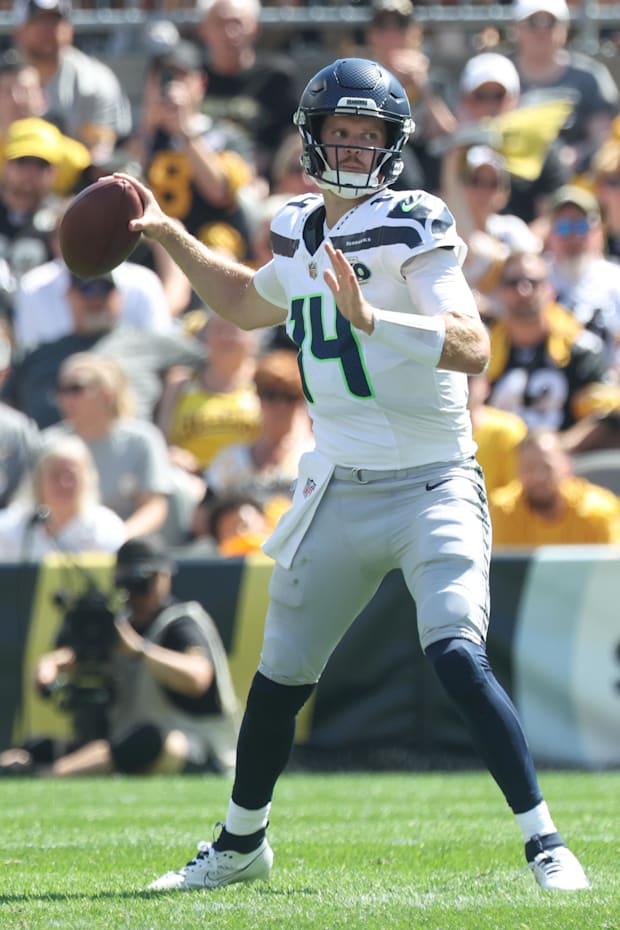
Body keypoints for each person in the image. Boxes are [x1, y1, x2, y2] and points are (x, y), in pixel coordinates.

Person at [118, 57, 589, 892]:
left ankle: (545, 841)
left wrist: (375, 317)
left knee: (453, 652)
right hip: (337, 480)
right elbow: (245, 301)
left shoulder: (415, 221)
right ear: (311, 137)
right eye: (341, 132)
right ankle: (240, 842)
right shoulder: (296, 227)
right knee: (277, 676)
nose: (354, 147)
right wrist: (165, 231)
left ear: (394, 146)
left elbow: (474, 346)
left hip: (433, 481)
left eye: (369, 136)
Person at [0, 535, 239, 776]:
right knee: (36, 747)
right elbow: (75, 656)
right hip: (124, 742)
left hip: (198, 748)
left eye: (141, 583)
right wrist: (50, 666)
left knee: (151, 740)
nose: (134, 594)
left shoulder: (181, 622)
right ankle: (21, 768)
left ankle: (51, 775)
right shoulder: (120, 623)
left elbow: (197, 679)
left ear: (164, 577)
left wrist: (138, 649)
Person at [43, 353, 173, 539]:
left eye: (76, 389)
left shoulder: (142, 439)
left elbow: (154, 506)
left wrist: (117, 540)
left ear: (106, 395)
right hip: (60, 550)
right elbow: (34, 506)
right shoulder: (49, 444)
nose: (65, 398)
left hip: (125, 554)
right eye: (61, 390)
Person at [486, 250, 612, 432]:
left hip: (568, 456)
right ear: (498, 291)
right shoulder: (482, 352)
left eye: (533, 282)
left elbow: (603, 417)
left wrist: (560, 448)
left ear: (550, 289)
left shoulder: (579, 347)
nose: (523, 290)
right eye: (512, 283)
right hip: (498, 457)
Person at [12, 0, 132, 162]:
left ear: (70, 29)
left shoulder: (94, 81)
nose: (48, 30)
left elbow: (99, 157)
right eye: (39, 21)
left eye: (55, 21)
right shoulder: (5, 78)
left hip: (78, 182)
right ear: (20, 30)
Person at [510, 0, 619, 175]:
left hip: (575, 179)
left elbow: (603, 135)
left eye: (550, 23)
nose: (541, 31)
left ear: (565, 28)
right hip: (507, 181)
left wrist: (577, 155)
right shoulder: (497, 74)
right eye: (533, 22)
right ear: (516, 28)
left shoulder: (589, 77)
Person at [205, 347, 314, 523]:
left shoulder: (314, 455)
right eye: (270, 394)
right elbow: (203, 516)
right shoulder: (230, 457)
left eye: (289, 396)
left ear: (302, 401)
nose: (280, 406)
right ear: (258, 396)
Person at [0, 432, 126, 559]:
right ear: (39, 479)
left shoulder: (105, 529)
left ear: (87, 480)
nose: (63, 484)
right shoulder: (10, 528)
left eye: (71, 476)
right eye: (55, 475)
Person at [489, 428, 620, 545]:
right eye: (529, 468)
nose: (538, 477)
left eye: (547, 468)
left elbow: (610, 568)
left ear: (568, 467)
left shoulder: (599, 513)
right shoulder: (501, 513)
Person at [545, 184, 620, 375]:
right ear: (550, 234)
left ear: (598, 233)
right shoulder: (532, 280)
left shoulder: (615, 280)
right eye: (563, 227)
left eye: (581, 226)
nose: (573, 237)